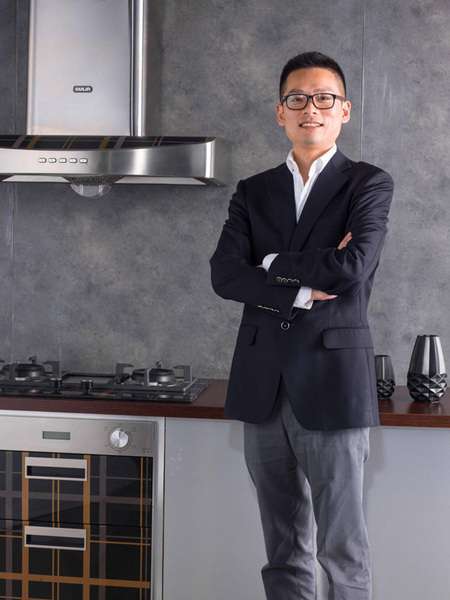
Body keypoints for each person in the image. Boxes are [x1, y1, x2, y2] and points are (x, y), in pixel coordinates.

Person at [209, 51, 394, 600]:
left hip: (333, 382)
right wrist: (305, 282)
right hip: (262, 382)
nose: (310, 108)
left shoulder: (368, 184)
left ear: (344, 110)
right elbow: (224, 275)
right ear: (280, 112)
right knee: (283, 552)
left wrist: (268, 264)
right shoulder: (253, 191)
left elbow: (353, 266)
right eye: (297, 99)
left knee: (342, 551)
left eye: (324, 98)